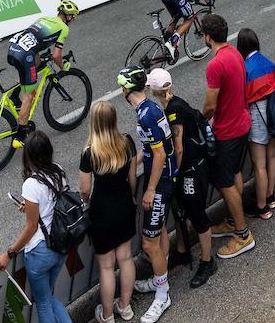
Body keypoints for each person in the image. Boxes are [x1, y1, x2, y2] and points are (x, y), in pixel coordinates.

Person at [147, 69, 217, 288]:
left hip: (192, 170)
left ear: (154, 90)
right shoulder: (172, 104)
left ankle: (207, 261)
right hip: (189, 168)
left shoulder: (175, 109)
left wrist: (174, 174)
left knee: (197, 215)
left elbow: (178, 149)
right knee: (180, 212)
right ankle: (182, 250)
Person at [0, 132, 71, 323]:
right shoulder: (58, 171)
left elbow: (31, 227)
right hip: (60, 245)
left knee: (43, 302)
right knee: (49, 296)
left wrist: (9, 253)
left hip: (40, 252)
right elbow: (54, 204)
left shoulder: (31, 184)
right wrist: (31, 207)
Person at [116, 67, 175, 322]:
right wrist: (133, 161)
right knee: (159, 232)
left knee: (149, 242)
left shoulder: (145, 116)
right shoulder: (150, 107)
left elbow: (160, 154)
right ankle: (159, 279)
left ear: (126, 89)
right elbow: (153, 148)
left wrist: (150, 189)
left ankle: (163, 295)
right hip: (164, 178)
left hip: (160, 183)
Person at [200, 13, 257, 259]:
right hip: (242, 123)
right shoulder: (234, 53)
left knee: (225, 182)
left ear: (208, 37)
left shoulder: (215, 64)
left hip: (227, 129)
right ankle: (235, 221)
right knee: (234, 173)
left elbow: (211, 105)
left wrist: (199, 120)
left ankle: (243, 234)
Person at [78, 101, 137, 323]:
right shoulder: (127, 143)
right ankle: (125, 306)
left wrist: (86, 201)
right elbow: (132, 178)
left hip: (102, 210)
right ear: (114, 120)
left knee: (106, 267)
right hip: (124, 204)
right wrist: (130, 197)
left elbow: (84, 189)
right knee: (126, 257)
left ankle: (108, 315)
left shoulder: (90, 152)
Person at [5, 1, 81, 146]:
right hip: (25, 56)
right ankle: (20, 136)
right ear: (69, 16)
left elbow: (34, 41)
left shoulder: (44, 19)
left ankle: (15, 96)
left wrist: (43, 58)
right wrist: (63, 66)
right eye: (73, 17)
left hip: (13, 50)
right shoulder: (63, 28)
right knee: (29, 96)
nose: (73, 21)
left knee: (35, 65)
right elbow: (57, 55)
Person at [238, 29, 275, 220]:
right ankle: (271, 196)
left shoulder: (245, 68)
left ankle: (262, 207)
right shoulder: (268, 62)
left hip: (257, 115)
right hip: (272, 112)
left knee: (259, 165)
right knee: (272, 157)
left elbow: (244, 98)